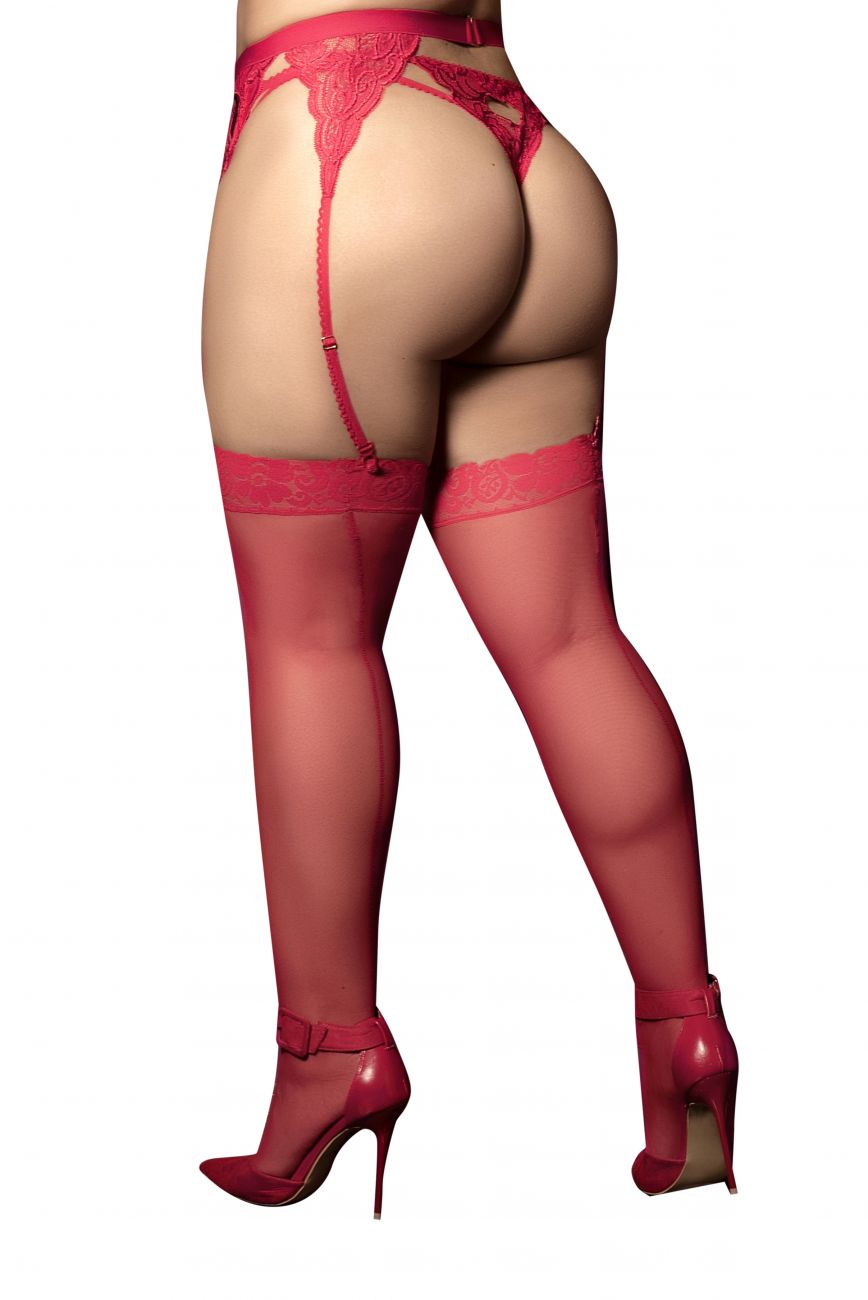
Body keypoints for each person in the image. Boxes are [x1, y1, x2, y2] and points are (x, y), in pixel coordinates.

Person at [198, 0, 739, 1215]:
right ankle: (686, 1033)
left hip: (348, 150)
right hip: (525, 151)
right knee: (571, 634)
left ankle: (329, 1051)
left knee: (311, 639)